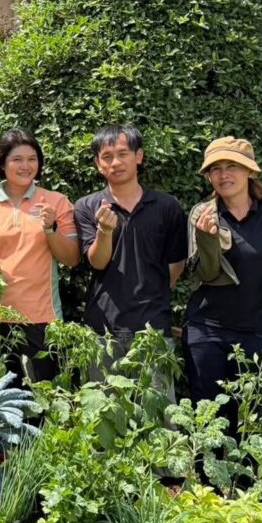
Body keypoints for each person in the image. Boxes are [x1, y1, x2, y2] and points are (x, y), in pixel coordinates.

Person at [185, 137, 262, 427]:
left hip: (256, 337)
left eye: (232, 166)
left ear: (249, 171)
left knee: (249, 427)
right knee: (207, 425)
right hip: (207, 335)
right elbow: (204, 275)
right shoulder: (202, 215)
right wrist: (207, 240)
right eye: (216, 168)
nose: (223, 175)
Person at [0, 129, 79, 382]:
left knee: (38, 397)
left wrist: (51, 228)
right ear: (2, 164)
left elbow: (71, 258)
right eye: (17, 159)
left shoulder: (56, 202)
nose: (26, 166)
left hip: (40, 318)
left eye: (32, 159)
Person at [74, 124, 187, 357]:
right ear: (98, 164)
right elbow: (97, 262)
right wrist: (104, 231)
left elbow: (176, 263)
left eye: (123, 154)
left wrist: (152, 292)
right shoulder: (87, 206)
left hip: (154, 328)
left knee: (155, 383)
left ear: (139, 156)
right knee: (101, 383)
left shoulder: (167, 206)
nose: (115, 162)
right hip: (103, 328)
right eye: (107, 157)